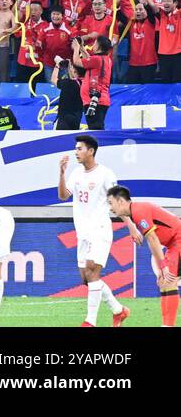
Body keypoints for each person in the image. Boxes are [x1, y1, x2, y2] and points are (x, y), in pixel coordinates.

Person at [58, 134, 128, 327]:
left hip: (100, 228)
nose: (76, 152)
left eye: (80, 148)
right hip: (82, 231)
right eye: (76, 148)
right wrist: (62, 173)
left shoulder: (106, 174)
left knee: (91, 270)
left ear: (91, 151)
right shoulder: (76, 174)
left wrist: (131, 226)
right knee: (86, 278)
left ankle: (90, 321)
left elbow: (118, 202)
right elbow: (63, 196)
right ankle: (118, 310)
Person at [106, 185, 178, 328]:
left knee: (168, 282)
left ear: (120, 201)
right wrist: (161, 268)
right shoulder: (136, 211)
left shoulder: (139, 211)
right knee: (165, 282)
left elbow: (152, 239)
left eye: (111, 203)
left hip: (178, 240)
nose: (110, 208)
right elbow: (153, 240)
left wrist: (163, 266)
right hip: (174, 243)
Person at [70, 35, 112, 130]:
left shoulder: (97, 60)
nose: (93, 45)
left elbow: (76, 61)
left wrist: (76, 48)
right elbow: (89, 60)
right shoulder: (105, 59)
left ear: (98, 46)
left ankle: (98, 145)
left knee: (95, 129)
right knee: (97, 127)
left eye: (95, 43)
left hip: (94, 100)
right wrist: (81, 48)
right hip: (100, 99)